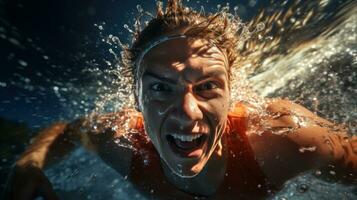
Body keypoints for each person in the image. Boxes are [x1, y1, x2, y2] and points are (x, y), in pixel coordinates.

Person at [3, 1, 356, 199]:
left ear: (232, 93)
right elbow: (67, 129)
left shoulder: (290, 139)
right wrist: (30, 161)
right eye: (160, 88)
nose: (187, 113)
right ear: (136, 99)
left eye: (206, 87)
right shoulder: (124, 142)